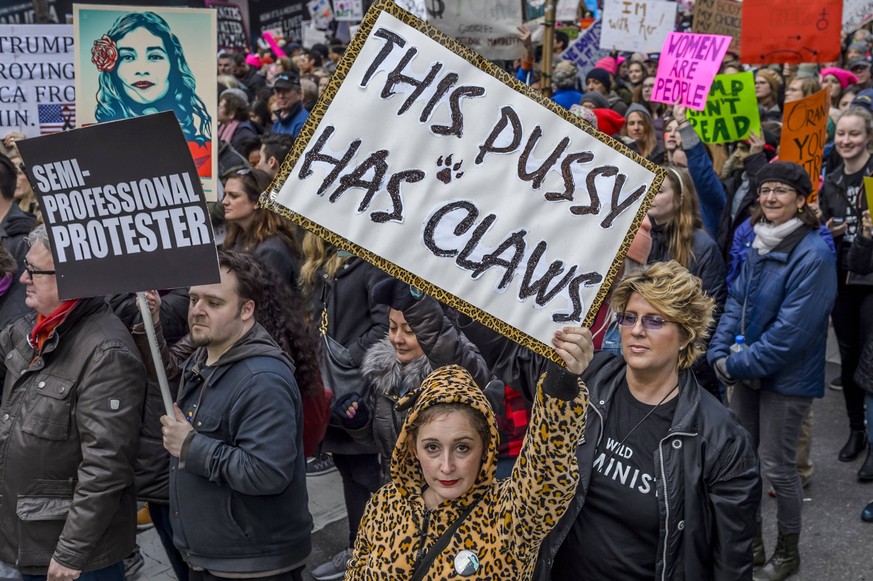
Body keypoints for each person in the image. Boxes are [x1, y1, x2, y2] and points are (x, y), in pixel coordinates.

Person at [535, 261, 761, 580]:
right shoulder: (590, 376)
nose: (637, 330)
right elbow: (508, 359)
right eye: (629, 317)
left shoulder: (720, 437)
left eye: (655, 320)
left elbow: (732, 560)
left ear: (685, 335)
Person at [346, 340, 591, 578]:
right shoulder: (384, 503)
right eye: (432, 447)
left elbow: (547, 472)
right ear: (412, 447)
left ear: (485, 447)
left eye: (462, 447)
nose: (446, 466)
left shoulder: (509, 517)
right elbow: (356, 570)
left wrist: (561, 384)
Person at [709, 162, 837, 581]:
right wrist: (718, 350)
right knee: (745, 461)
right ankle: (753, 542)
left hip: (787, 378)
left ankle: (787, 552)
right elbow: (735, 302)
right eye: (765, 190)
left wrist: (735, 362)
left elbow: (791, 333)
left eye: (781, 191)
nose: (770, 198)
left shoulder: (813, 253)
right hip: (747, 369)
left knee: (778, 469)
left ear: (802, 200)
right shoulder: (758, 241)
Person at [0, 225, 146, 580]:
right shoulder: (32, 328)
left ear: (71, 277)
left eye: (34, 271)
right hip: (22, 536)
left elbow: (105, 467)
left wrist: (70, 554)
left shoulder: (106, 351)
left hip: (64, 556)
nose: (23, 280)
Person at [159, 251, 312, 580]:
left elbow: (267, 473)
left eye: (214, 303)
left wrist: (191, 447)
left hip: (253, 565)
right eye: (194, 299)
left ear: (246, 310)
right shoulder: (204, 359)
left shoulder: (262, 379)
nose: (197, 310)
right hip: (213, 556)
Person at [302, 234, 389, 581]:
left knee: (368, 474)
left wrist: (347, 356)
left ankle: (378, 549)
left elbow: (385, 325)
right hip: (329, 388)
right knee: (349, 471)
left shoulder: (369, 264)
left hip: (357, 391)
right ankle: (359, 549)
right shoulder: (322, 265)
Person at [91, 11, 213, 177]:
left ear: (173, 64)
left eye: (154, 56)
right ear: (112, 68)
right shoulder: (94, 147)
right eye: (127, 57)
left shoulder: (205, 154)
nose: (142, 70)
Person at [819, 107, 873, 466]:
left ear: (868, 136)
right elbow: (824, 225)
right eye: (841, 134)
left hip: (871, 279)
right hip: (844, 277)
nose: (846, 141)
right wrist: (829, 230)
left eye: (854, 134)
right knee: (850, 359)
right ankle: (857, 430)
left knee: (871, 362)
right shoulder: (833, 179)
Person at [221, 168, 301, 286]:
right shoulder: (238, 237)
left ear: (257, 202)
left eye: (233, 196)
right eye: (225, 194)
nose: (224, 201)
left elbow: (267, 299)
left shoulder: (272, 250)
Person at [217, 91, 263, 155]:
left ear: (231, 114)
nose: (217, 110)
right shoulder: (222, 127)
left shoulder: (244, 135)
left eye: (220, 107)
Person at [272, 72, 309, 137]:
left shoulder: (303, 123)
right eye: (278, 91)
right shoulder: (279, 120)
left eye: (286, 91)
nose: (281, 96)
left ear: (299, 94)